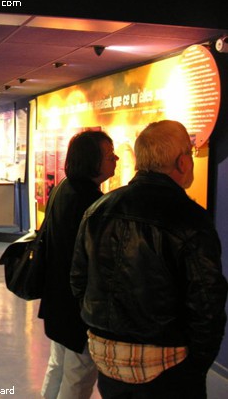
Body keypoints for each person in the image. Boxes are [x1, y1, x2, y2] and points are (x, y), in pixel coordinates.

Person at [70, 120, 228, 398]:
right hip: (167, 363)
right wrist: (197, 365)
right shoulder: (191, 218)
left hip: (106, 357)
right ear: (182, 162)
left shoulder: (97, 210)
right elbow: (207, 302)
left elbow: (79, 280)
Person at [38, 130, 119, 399]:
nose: (115, 158)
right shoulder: (92, 203)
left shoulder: (64, 187)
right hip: (78, 309)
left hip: (58, 300)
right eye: (109, 155)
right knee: (78, 377)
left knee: (59, 367)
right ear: (91, 160)